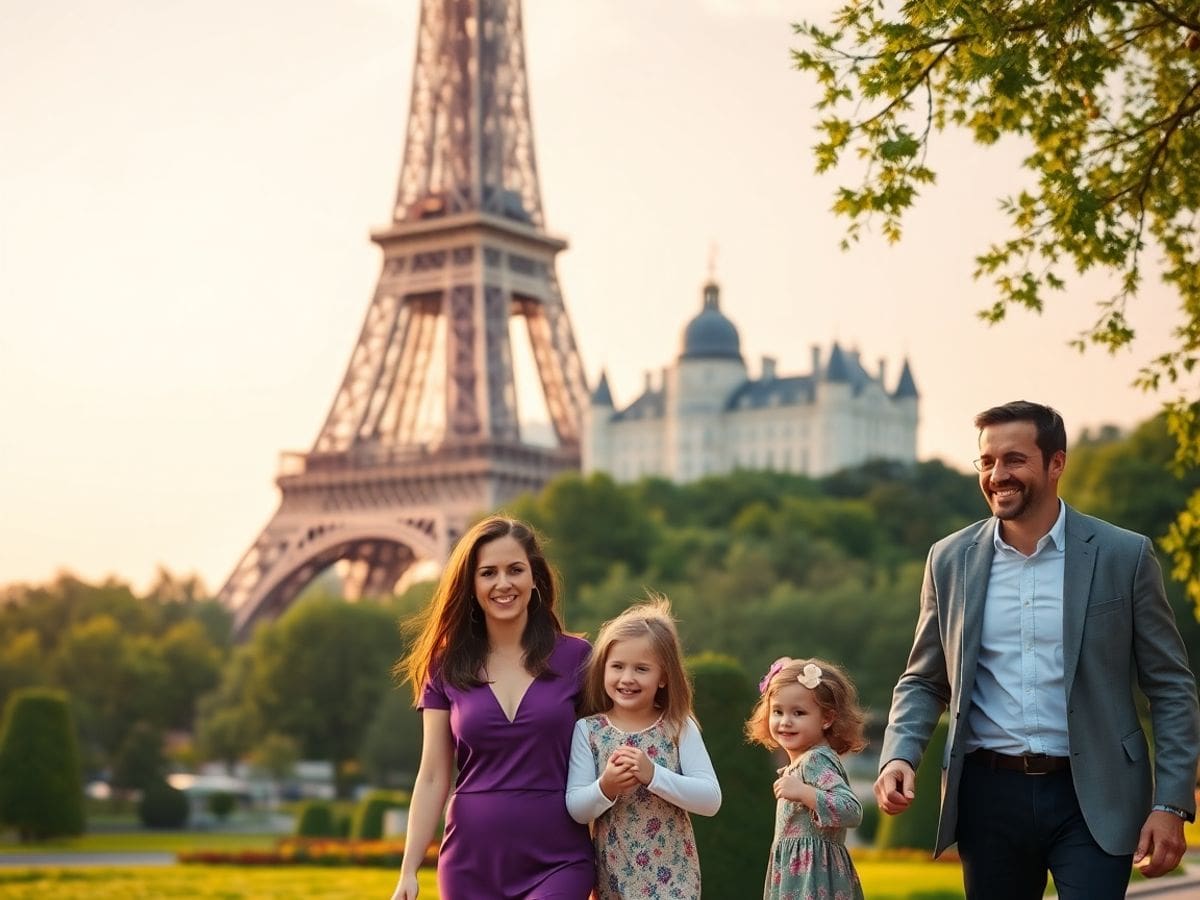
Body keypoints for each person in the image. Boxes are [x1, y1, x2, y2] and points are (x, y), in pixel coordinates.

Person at [874, 400, 1200, 900]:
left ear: (1056, 463)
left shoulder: (1124, 555)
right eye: (987, 461)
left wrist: (1171, 803)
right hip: (988, 797)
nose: (996, 475)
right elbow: (922, 679)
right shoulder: (949, 559)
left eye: (1014, 459)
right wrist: (899, 755)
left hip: (1097, 793)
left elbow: (1171, 686)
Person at [390, 515, 594, 900]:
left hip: (561, 860)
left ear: (535, 578)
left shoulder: (578, 658)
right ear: (471, 585)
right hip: (470, 864)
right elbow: (432, 775)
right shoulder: (444, 666)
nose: (503, 583)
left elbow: (606, 748)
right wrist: (408, 870)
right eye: (488, 573)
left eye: (515, 570)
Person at [566, 596, 721, 899]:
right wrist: (606, 787)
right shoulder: (589, 731)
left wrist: (654, 775)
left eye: (641, 669)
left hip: (674, 881)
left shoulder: (678, 726)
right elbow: (576, 808)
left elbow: (710, 799)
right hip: (614, 880)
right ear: (603, 669)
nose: (627, 678)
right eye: (617, 666)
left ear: (664, 677)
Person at [746, 656, 867, 900]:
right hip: (799, 879)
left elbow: (851, 810)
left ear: (827, 718)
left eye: (798, 713)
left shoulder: (815, 760)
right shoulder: (800, 764)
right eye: (777, 711)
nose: (785, 721)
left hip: (813, 881)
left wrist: (804, 793)